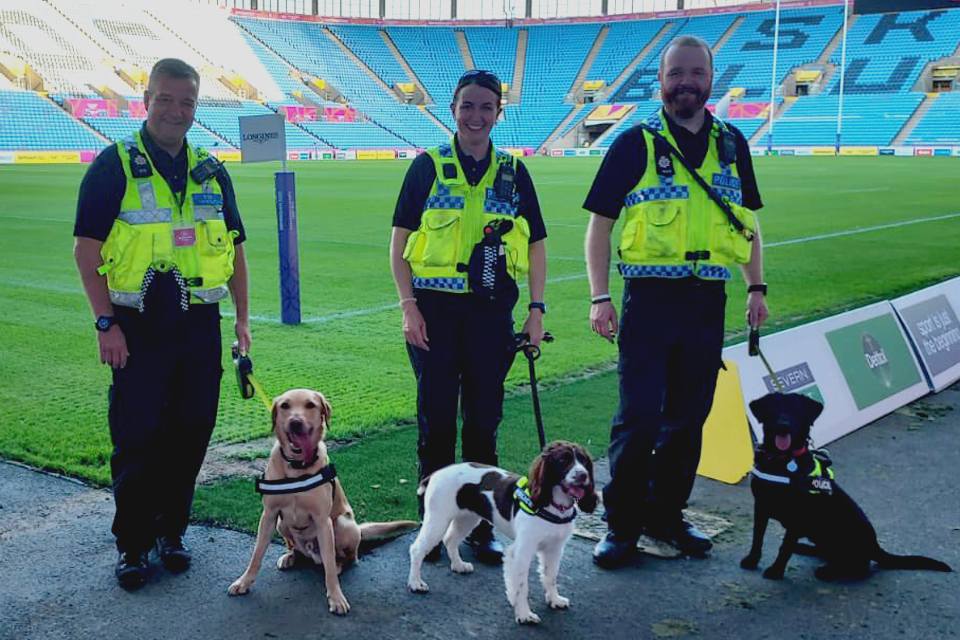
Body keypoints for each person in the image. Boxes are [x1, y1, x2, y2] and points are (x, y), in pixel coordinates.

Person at [584, 36, 769, 569]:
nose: (686, 81)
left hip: (707, 298)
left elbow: (748, 224)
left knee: (690, 418)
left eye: (696, 72)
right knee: (638, 417)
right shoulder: (635, 143)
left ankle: (667, 515)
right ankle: (622, 524)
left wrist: (756, 287)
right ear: (660, 80)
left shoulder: (733, 143)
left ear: (711, 77)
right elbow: (600, 227)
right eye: (676, 73)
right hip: (648, 297)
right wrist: (600, 296)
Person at [73, 58, 251, 590]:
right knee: (137, 435)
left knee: (192, 431)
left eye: (188, 102)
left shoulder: (212, 170)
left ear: (197, 105)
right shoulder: (114, 165)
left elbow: (237, 251)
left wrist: (242, 320)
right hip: (137, 327)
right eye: (166, 99)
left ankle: (171, 531)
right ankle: (132, 544)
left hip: (200, 327)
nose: (177, 111)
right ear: (146, 100)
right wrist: (106, 324)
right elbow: (86, 250)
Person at [390, 70, 548, 564]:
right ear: (452, 111)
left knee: (483, 423)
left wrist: (536, 310)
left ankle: (480, 526)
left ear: (498, 114)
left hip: (490, 314)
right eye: (467, 107)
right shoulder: (427, 167)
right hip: (433, 312)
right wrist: (408, 306)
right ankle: (432, 528)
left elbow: (538, 244)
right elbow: (397, 247)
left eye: (486, 107)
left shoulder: (514, 173)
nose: (476, 116)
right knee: (436, 422)